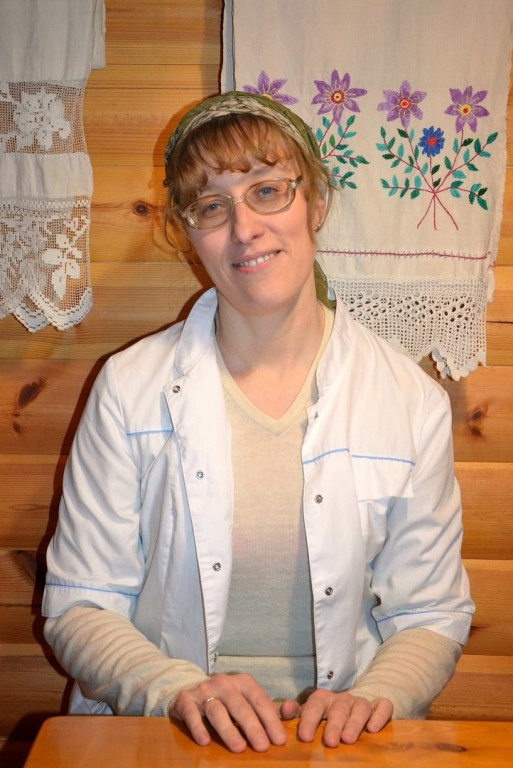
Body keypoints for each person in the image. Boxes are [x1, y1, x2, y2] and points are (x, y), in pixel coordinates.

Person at [42, 91, 474, 754]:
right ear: (189, 233)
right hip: (164, 736)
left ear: (316, 203)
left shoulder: (408, 401)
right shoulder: (129, 389)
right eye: (212, 207)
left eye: (268, 191)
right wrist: (174, 690)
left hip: (341, 746)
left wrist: (372, 697)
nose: (244, 228)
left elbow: (429, 612)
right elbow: (80, 602)